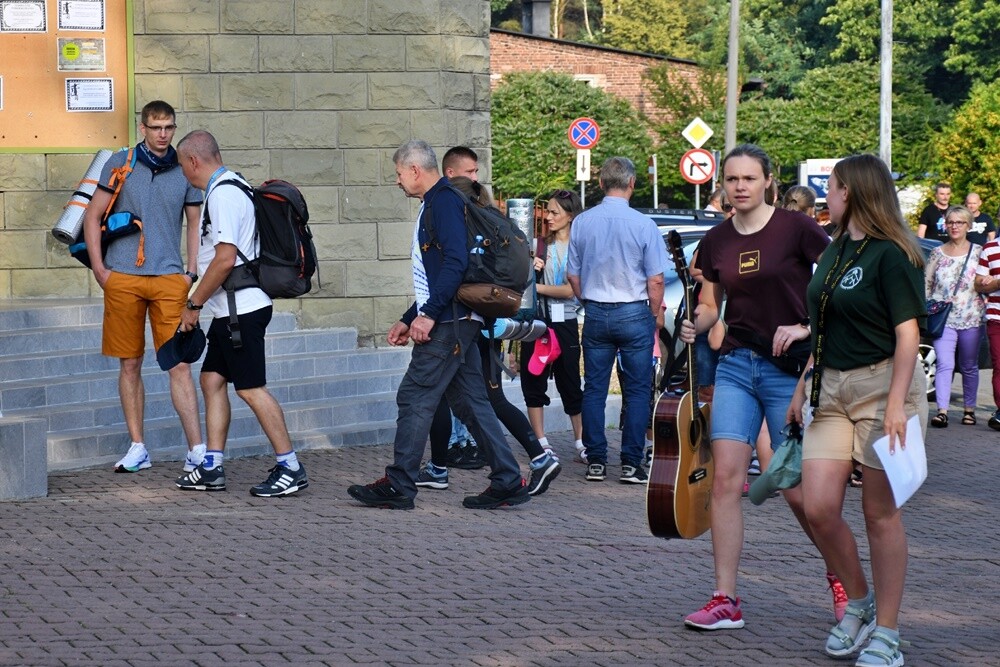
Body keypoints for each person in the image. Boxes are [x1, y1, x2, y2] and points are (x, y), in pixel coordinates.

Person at [678, 144, 844, 630]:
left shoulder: (797, 229)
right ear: (723, 185)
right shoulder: (717, 240)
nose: (740, 187)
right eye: (732, 179)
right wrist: (696, 321)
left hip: (787, 371)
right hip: (735, 364)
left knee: (795, 488)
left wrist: (809, 329)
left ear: (769, 181)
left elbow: (841, 283)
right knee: (726, 478)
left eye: (750, 178)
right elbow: (712, 304)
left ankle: (842, 577)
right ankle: (725, 598)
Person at [788, 153, 927, 667]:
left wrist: (896, 405)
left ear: (857, 192)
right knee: (818, 506)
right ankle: (860, 602)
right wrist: (803, 384)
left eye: (836, 188)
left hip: (881, 386)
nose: (829, 196)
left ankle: (887, 633)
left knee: (879, 514)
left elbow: (908, 332)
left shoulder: (893, 253)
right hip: (831, 389)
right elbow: (822, 323)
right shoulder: (835, 247)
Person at [348, 140, 529, 510]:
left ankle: (399, 484)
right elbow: (437, 274)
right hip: (457, 319)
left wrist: (428, 315)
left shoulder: (443, 201)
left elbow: (455, 265)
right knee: (471, 402)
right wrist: (408, 316)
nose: (397, 182)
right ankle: (508, 479)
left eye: (399, 174)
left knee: (415, 396)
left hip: (448, 323)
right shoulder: (439, 201)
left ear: (415, 170)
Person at [172, 130, 308, 497]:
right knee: (212, 380)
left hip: (240, 312)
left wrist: (193, 304)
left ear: (193, 161)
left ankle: (290, 466)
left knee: (251, 388)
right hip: (228, 310)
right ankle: (212, 467)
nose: (184, 174)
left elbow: (224, 258)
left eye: (183, 165)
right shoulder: (226, 188)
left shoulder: (226, 194)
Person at [81, 100, 206, 475]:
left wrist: (192, 271)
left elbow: (195, 219)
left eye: (169, 127)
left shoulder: (185, 167)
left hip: (170, 278)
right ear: (143, 128)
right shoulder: (120, 162)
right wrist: (100, 270)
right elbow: (92, 214)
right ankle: (138, 447)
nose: (163, 134)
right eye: (156, 127)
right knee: (130, 363)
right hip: (123, 277)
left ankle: (197, 450)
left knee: (179, 364)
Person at [416, 176, 561, 497]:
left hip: (472, 326)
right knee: (477, 397)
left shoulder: (465, 227)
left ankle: (538, 457)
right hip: (487, 324)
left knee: (484, 399)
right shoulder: (487, 226)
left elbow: (455, 276)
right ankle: (441, 467)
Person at [567, 157, 667, 484]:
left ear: (600, 184)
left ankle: (596, 460)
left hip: (596, 310)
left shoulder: (582, 222)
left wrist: (589, 300)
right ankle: (630, 462)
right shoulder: (644, 224)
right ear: (632, 183)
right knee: (637, 390)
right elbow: (655, 279)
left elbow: (572, 274)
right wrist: (653, 313)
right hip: (634, 310)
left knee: (594, 387)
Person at [519, 189, 584, 461]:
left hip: (565, 322)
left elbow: (570, 291)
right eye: (548, 212)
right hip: (538, 323)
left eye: (555, 212)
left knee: (570, 382)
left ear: (570, 215)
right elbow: (521, 282)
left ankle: (581, 441)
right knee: (533, 379)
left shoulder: (580, 247)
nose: (549, 217)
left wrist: (539, 286)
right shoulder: (539, 245)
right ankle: (541, 440)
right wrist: (529, 269)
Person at [925, 206, 984, 428]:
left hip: (972, 316)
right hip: (944, 318)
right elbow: (926, 284)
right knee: (944, 364)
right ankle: (942, 411)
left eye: (959, 222)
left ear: (968, 225)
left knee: (969, 365)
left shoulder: (979, 251)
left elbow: (985, 280)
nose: (954, 226)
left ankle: (969, 410)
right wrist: (928, 308)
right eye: (950, 222)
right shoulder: (937, 253)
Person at [974, 230, 1000, 430]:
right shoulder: (990, 248)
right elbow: (979, 284)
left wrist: (994, 281)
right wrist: (995, 283)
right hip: (996, 317)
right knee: (999, 366)